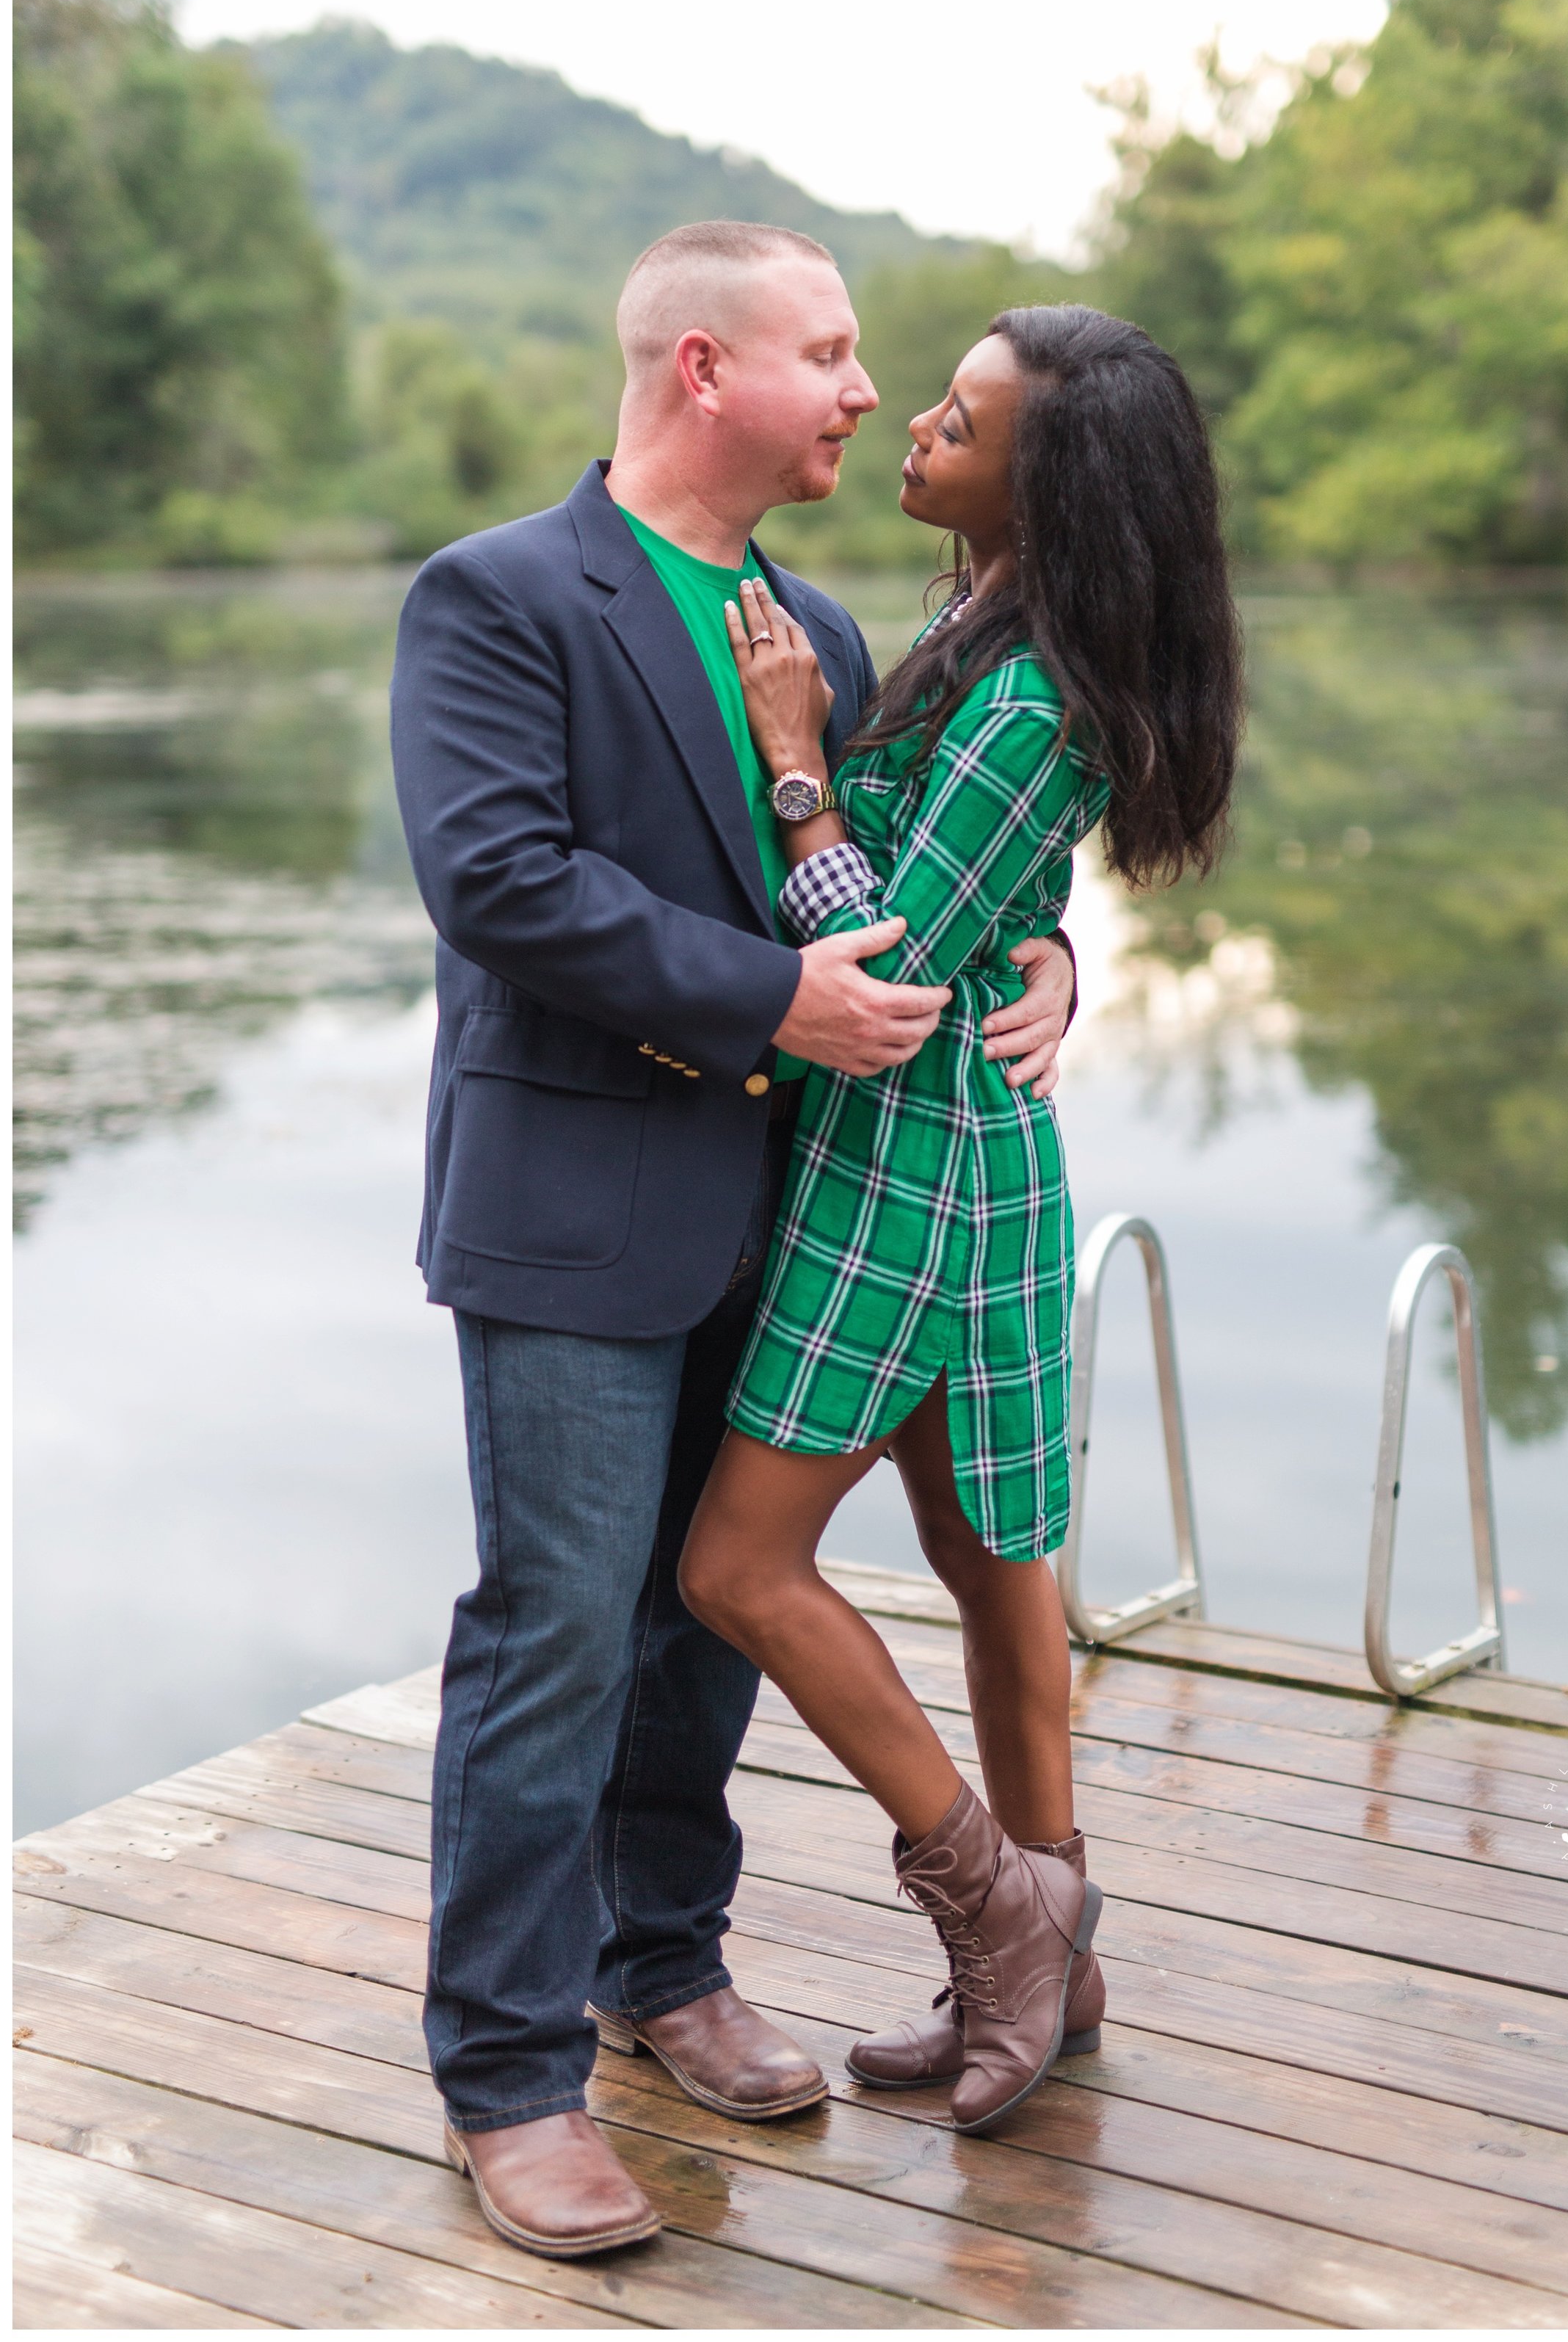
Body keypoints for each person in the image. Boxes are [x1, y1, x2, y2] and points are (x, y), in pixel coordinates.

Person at [390, 222, 1078, 2258]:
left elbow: (906, 867)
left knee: (702, 1623)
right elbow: (498, 881)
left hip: (787, 1213)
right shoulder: (503, 595)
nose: (865, 395)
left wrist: (1043, 945)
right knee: (560, 1627)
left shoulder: (829, 631)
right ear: (703, 368)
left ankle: (659, 1960)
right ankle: (504, 2076)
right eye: (833, 354)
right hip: (575, 1214)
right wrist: (770, 1000)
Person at [678, 305, 1244, 2136]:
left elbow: (895, 966)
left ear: (1044, 478)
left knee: (736, 1571)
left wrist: (790, 759)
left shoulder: (1020, 694)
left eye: (957, 418)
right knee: (989, 1551)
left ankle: (996, 1904)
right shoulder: (983, 632)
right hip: (974, 1162)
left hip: (902, 1173)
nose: (912, 428)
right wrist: (1050, 945)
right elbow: (992, 905)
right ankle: (1057, 1964)